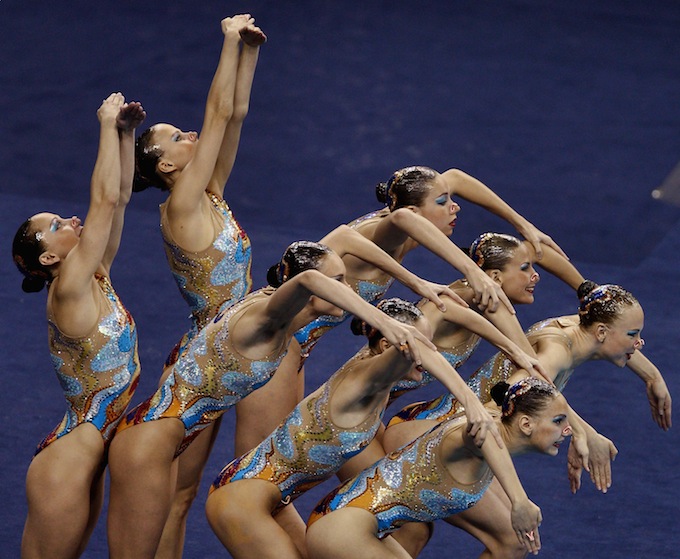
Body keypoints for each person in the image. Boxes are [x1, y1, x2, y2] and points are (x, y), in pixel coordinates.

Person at [233, 167, 569, 533]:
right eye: (442, 202)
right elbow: (403, 216)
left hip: (301, 354)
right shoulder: (389, 229)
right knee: (263, 487)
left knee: (284, 492)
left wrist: (524, 226)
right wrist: (468, 271)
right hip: (280, 350)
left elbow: (455, 176)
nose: (455, 208)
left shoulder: (404, 227)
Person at [106, 241, 437, 559]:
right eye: (338, 282)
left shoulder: (284, 322)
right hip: (147, 441)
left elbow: (343, 239)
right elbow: (307, 276)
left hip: (166, 437)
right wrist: (381, 320)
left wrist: (418, 282)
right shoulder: (265, 317)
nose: (347, 289)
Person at [383, 280, 672, 558]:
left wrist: (651, 375)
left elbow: (612, 328)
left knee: (417, 533)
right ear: (600, 332)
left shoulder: (575, 327)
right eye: (634, 336)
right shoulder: (556, 353)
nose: (640, 344)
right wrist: (583, 432)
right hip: (427, 437)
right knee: (511, 540)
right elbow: (507, 398)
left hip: (429, 425)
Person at [205, 298, 503, 559]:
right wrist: (469, 400)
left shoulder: (377, 376)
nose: (433, 352)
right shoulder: (365, 376)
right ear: (389, 345)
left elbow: (437, 312)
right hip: (241, 502)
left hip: (273, 499)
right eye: (423, 344)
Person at [132, 15, 265, 558]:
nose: (189, 135)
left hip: (242, 339)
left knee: (258, 481)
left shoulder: (206, 192)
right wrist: (229, 39)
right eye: (175, 138)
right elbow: (214, 115)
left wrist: (250, 53)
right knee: (179, 490)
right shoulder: (183, 203)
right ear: (164, 164)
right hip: (211, 355)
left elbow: (231, 116)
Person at [11, 93, 145, 559]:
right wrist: (105, 125)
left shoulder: (93, 276)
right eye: (57, 224)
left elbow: (121, 199)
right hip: (68, 459)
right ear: (49, 258)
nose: (71, 219)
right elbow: (103, 199)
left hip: (90, 453)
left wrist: (125, 135)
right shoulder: (67, 288)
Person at [306, 377, 572, 559]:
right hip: (343, 525)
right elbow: (484, 436)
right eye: (559, 421)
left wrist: (587, 435)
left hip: (362, 525)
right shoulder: (471, 435)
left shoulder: (500, 424)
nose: (567, 430)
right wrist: (519, 501)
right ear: (525, 424)